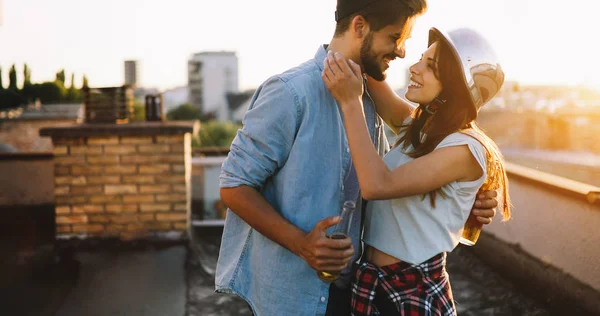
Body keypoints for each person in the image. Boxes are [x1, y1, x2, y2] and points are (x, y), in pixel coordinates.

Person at [216, 1, 498, 315]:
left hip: (365, 290)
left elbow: (382, 183)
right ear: (360, 27)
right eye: (396, 38)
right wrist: (302, 244)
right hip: (300, 295)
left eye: (428, 63)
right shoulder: (292, 93)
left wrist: (467, 200)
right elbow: (233, 185)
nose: (404, 54)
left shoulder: (367, 102)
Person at [321, 27, 512, 315]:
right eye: (421, 58)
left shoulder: (465, 149)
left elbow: (377, 185)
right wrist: (359, 31)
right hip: (372, 283)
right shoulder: (420, 131)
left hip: (412, 290)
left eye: (430, 66)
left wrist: (350, 102)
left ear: (455, 87)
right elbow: (371, 75)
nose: (414, 67)